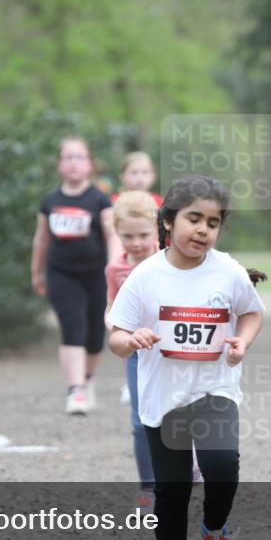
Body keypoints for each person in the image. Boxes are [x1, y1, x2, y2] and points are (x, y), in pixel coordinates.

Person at [107, 176, 265, 540]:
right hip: (163, 397)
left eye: (212, 222)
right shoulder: (145, 276)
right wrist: (132, 339)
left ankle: (214, 529)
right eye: (193, 218)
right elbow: (116, 336)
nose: (203, 229)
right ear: (169, 221)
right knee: (172, 490)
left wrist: (242, 341)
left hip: (214, 388)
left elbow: (251, 313)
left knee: (221, 464)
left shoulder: (228, 271)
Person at [31, 137, 116, 415]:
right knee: (72, 326)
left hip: (96, 274)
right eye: (67, 157)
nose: (73, 163)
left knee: (94, 335)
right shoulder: (50, 201)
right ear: (59, 165)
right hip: (61, 273)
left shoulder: (99, 199)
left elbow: (112, 234)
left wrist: (114, 268)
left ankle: (87, 380)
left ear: (90, 164)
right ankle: (75, 390)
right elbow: (41, 239)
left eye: (79, 157)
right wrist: (37, 271)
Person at [105, 191, 160, 511]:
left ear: (157, 231)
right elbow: (113, 306)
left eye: (143, 235)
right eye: (128, 236)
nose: (136, 243)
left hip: (172, 350)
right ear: (117, 233)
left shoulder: (169, 260)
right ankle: (148, 486)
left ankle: (190, 468)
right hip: (137, 353)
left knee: (179, 414)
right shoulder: (115, 270)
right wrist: (112, 321)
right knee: (141, 421)